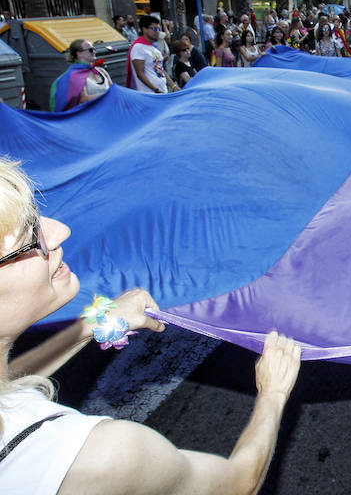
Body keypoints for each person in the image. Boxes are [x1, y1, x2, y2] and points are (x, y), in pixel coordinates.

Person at [0, 158, 303, 495]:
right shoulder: (100, 459)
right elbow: (237, 483)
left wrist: (98, 324)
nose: (58, 230)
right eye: (30, 237)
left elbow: (10, 386)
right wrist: (273, 392)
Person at [49, 40, 113, 112]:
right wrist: (109, 96)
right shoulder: (75, 76)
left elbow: (113, 89)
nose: (94, 52)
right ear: (79, 53)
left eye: (94, 49)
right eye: (90, 50)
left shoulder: (102, 71)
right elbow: (83, 98)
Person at [126, 15, 177, 94]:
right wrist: (156, 90)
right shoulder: (138, 47)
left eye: (158, 29)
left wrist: (173, 86)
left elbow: (160, 70)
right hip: (149, 94)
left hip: (162, 91)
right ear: (144, 29)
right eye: (154, 29)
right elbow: (140, 73)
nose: (157, 32)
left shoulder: (154, 48)